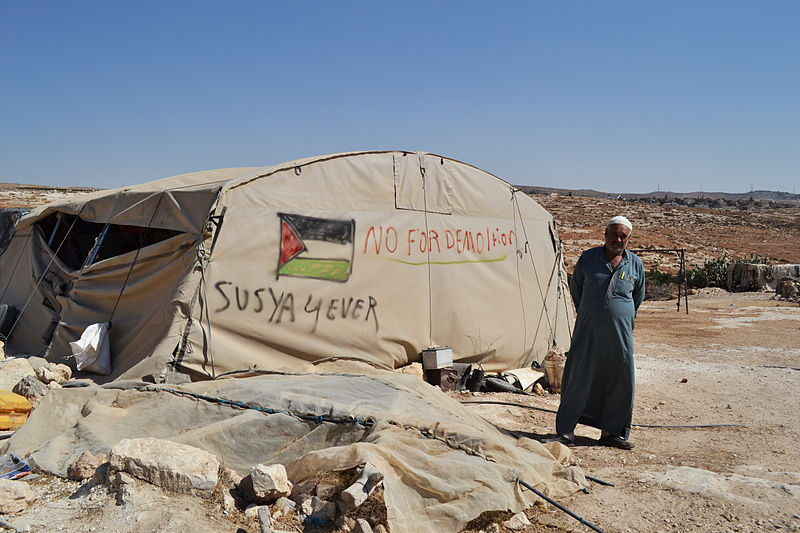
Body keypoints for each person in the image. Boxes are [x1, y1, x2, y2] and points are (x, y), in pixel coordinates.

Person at [555, 215, 645, 450]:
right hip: (588, 332)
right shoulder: (588, 258)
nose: (618, 239)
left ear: (629, 238)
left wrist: (620, 315)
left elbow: (637, 298)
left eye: (623, 236)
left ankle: (611, 433)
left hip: (620, 336)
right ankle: (566, 431)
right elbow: (577, 290)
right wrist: (592, 313)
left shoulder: (635, 264)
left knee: (618, 381)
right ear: (605, 234)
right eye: (614, 234)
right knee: (579, 378)